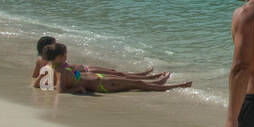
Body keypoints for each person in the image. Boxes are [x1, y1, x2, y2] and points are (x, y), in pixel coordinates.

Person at [43, 43, 190, 94]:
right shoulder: (60, 71)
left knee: (128, 79)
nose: (66, 56)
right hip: (101, 85)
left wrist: (78, 79)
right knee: (136, 85)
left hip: (99, 80)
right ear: (57, 57)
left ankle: (157, 81)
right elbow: (60, 90)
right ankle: (175, 86)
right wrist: (77, 89)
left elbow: (70, 79)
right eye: (64, 55)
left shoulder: (61, 67)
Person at [30, 36, 168, 88]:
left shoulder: (53, 65)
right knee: (118, 75)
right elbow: (38, 77)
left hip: (83, 70)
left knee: (117, 73)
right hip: (84, 72)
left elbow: (35, 77)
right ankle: (148, 78)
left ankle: (145, 76)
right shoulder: (48, 65)